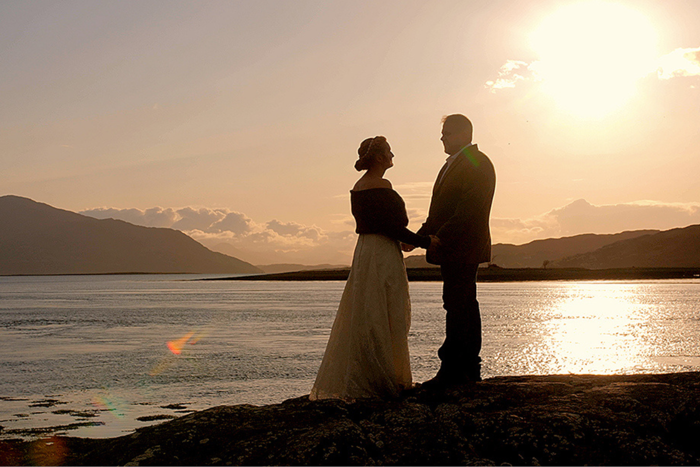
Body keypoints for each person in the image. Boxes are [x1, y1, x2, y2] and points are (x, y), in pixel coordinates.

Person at [310, 136, 435, 401]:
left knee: (367, 312)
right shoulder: (382, 185)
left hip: (366, 251)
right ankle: (387, 377)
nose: (393, 155)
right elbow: (392, 227)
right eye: (389, 152)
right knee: (388, 312)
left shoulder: (358, 187)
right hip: (382, 253)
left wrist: (407, 239)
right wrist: (425, 241)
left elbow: (382, 224)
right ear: (379, 158)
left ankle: (373, 373)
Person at [404, 114, 496, 387]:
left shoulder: (478, 163)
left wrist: (437, 238)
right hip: (454, 245)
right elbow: (440, 212)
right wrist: (418, 238)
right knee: (456, 302)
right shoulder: (454, 165)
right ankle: (459, 366)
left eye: (447, 133)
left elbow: (469, 210)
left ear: (464, 134)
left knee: (461, 303)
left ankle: (462, 368)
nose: (442, 138)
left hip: (463, 245)